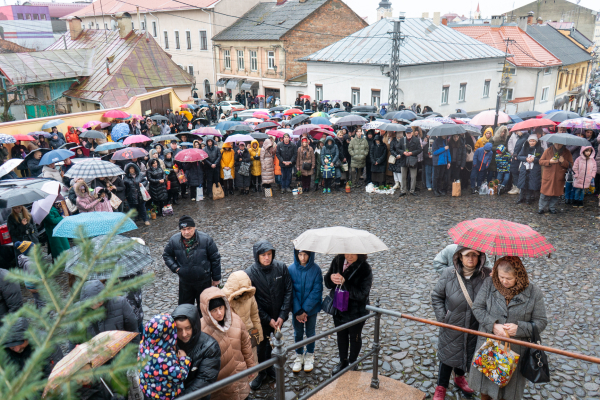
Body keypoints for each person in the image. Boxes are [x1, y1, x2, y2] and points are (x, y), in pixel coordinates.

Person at [469, 257, 548, 400]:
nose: (504, 281)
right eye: (501, 277)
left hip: (515, 351)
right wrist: (493, 325)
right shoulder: (489, 283)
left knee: (509, 393)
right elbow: (478, 307)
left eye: (509, 278)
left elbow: (541, 321)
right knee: (486, 390)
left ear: (519, 275)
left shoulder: (534, 293)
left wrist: (519, 328)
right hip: (489, 345)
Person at [431, 247, 490, 399]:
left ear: (480, 257)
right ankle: (441, 386)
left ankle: (459, 378)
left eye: (474, 255)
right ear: (460, 257)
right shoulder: (449, 273)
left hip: (474, 325)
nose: (471, 258)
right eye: (467, 255)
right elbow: (437, 296)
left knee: (466, 352)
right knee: (448, 355)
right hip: (452, 324)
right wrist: (443, 318)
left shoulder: (487, 275)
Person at [245, 240, 292, 390]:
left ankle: (269, 368)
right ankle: (261, 372)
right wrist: (267, 319)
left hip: (278, 316)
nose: (267, 258)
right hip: (261, 318)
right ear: (257, 256)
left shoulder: (281, 268)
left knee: (272, 344)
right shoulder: (250, 273)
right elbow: (251, 301)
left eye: (269, 254)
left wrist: (282, 315)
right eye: (263, 255)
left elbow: (288, 291)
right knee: (260, 345)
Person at [199, 288, 256, 400]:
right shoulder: (202, 330)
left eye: (221, 307)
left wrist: (250, 366)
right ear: (207, 311)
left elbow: (246, 345)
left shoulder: (235, 320)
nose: (219, 313)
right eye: (214, 310)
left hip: (240, 374)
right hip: (221, 383)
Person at [324, 253, 372, 376]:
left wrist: (345, 282)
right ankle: (343, 361)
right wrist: (331, 278)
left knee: (354, 337)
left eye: (353, 253)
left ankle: (352, 362)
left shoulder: (365, 268)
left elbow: (362, 294)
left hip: (356, 311)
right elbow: (328, 282)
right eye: (347, 252)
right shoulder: (338, 260)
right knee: (341, 335)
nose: (349, 256)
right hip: (339, 308)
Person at [163, 215, 221, 311]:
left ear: (194, 227)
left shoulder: (206, 239)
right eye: (183, 229)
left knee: (204, 309)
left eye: (189, 228)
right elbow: (166, 255)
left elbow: (215, 258)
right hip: (185, 282)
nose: (186, 232)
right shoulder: (174, 240)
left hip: (204, 281)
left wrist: (216, 278)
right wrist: (176, 268)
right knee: (184, 309)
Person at [172, 304, 222, 398]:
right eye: (179, 329)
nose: (184, 334)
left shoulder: (210, 346)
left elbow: (205, 380)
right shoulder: (169, 342)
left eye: (188, 328)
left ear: (194, 326)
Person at [138, 314, 191, 400]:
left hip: (148, 390)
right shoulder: (164, 360)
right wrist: (184, 359)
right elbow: (180, 376)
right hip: (165, 395)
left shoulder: (143, 345)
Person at [288, 250, 323, 373]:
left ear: (310, 255)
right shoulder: (291, 269)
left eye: (305, 255)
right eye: (300, 254)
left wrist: (305, 310)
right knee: (298, 333)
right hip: (297, 310)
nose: (303, 258)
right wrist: (298, 310)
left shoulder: (316, 270)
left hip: (311, 310)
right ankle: (299, 354)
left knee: (310, 332)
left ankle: (309, 354)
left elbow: (317, 290)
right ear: (296, 254)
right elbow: (290, 291)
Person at [75, 280, 138, 346]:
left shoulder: (120, 303)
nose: (98, 303)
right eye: (94, 301)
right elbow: (73, 340)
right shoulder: (76, 312)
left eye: (100, 299)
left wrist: (134, 352)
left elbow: (133, 330)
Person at [222, 271, 263, 365]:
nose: (241, 295)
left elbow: (254, 315)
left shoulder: (249, 296)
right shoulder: (223, 301)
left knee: (252, 364)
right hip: (233, 340)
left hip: (250, 336)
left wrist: (259, 335)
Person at [538, 141, 572, 214]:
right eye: (556, 143)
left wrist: (563, 161)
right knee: (544, 193)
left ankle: (552, 208)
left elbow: (571, 165)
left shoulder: (567, 152)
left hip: (559, 177)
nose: (557, 145)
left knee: (556, 194)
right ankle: (541, 208)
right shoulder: (548, 150)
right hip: (548, 176)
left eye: (559, 143)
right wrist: (549, 161)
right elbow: (541, 161)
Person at [516, 134, 543, 205]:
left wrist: (534, 159)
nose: (532, 142)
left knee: (531, 184)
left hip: (534, 169)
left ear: (536, 141)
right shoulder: (524, 148)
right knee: (523, 183)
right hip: (525, 168)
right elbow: (519, 157)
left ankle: (528, 198)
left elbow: (541, 159)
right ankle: (521, 198)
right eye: (530, 141)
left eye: (533, 141)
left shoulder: (540, 149)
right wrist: (525, 159)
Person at [397, 127, 423, 196]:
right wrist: (403, 152)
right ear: (405, 133)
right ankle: (403, 190)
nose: (409, 134)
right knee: (403, 176)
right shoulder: (402, 140)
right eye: (407, 133)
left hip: (413, 160)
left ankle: (412, 190)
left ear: (412, 133)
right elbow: (397, 148)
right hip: (404, 160)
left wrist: (412, 153)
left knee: (413, 176)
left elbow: (420, 150)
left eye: (410, 133)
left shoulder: (416, 140)